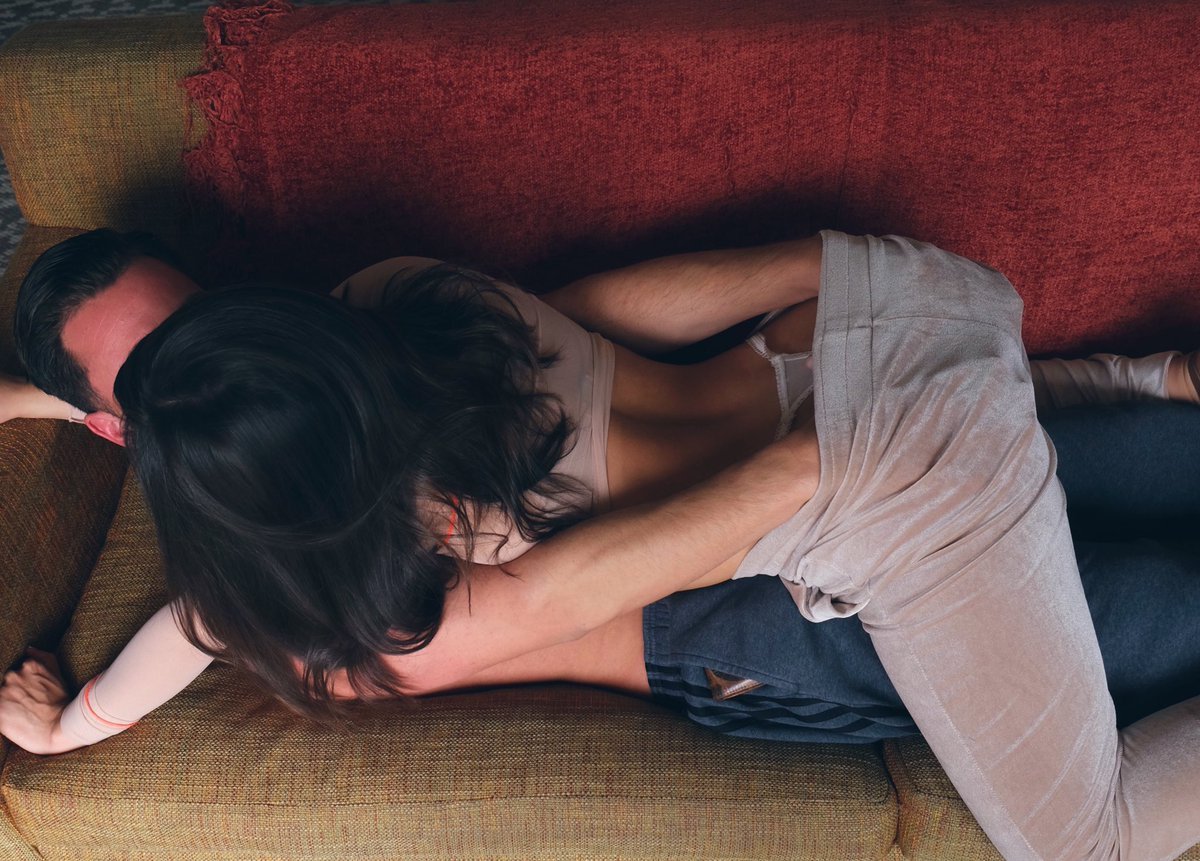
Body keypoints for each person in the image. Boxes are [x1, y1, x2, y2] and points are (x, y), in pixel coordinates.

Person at [2, 231, 1199, 859]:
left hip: (866, 472)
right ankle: (1138, 383)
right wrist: (843, 265)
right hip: (881, 316)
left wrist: (70, 728)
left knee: (1090, 843)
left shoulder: (397, 562)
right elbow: (604, 312)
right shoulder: (405, 294)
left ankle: (1119, 393)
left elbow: (203, 619)